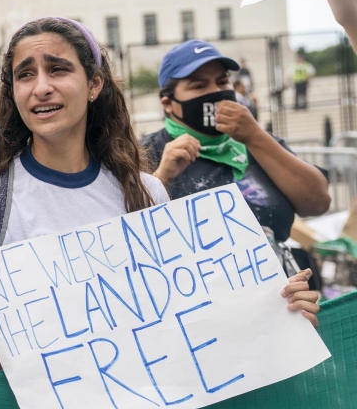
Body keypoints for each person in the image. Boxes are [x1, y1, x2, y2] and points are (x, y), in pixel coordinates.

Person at [0, 20, 322, 375]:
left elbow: (186, 313)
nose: (41, 86)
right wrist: (49, 365)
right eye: (25, 74)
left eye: (58, 69)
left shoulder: (147, 192)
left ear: (94, 85)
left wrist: (275, 309)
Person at [140, 40, 330, 264]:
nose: (216, 93)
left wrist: (255, 137)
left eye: (222, 82)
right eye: (199, 86)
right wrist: (161, 177)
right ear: (168, 103)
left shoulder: (257, 140)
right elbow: (127, 238)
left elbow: (317, 202)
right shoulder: (145, 152)